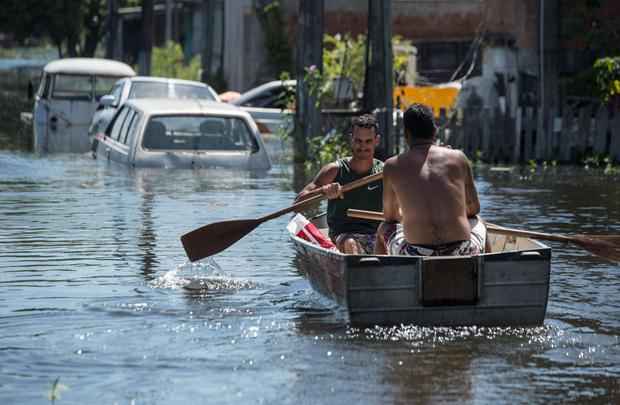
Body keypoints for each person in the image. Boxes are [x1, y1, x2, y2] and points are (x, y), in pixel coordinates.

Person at [375, 103, 486, 256]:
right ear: (435, 131)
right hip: (461, 251)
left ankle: (384, 278)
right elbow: (474, 209)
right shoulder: (459, 158)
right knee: (479, 222)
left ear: (406, 134)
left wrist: (411, 214)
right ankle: (486, 273)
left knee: (383, 228)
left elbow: (390, 216)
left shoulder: (392, 165)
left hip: (415, 253)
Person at [295, 114, 383, 254]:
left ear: (376, 141)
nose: (363, 146)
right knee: (350, 243)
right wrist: (323, 191)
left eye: (368, 141)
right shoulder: (334, 170)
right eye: (358, 141)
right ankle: (358, 269)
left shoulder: (384, 172)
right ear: (351, 139)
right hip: (344, 236)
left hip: (377, 236)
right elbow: (297, 204)